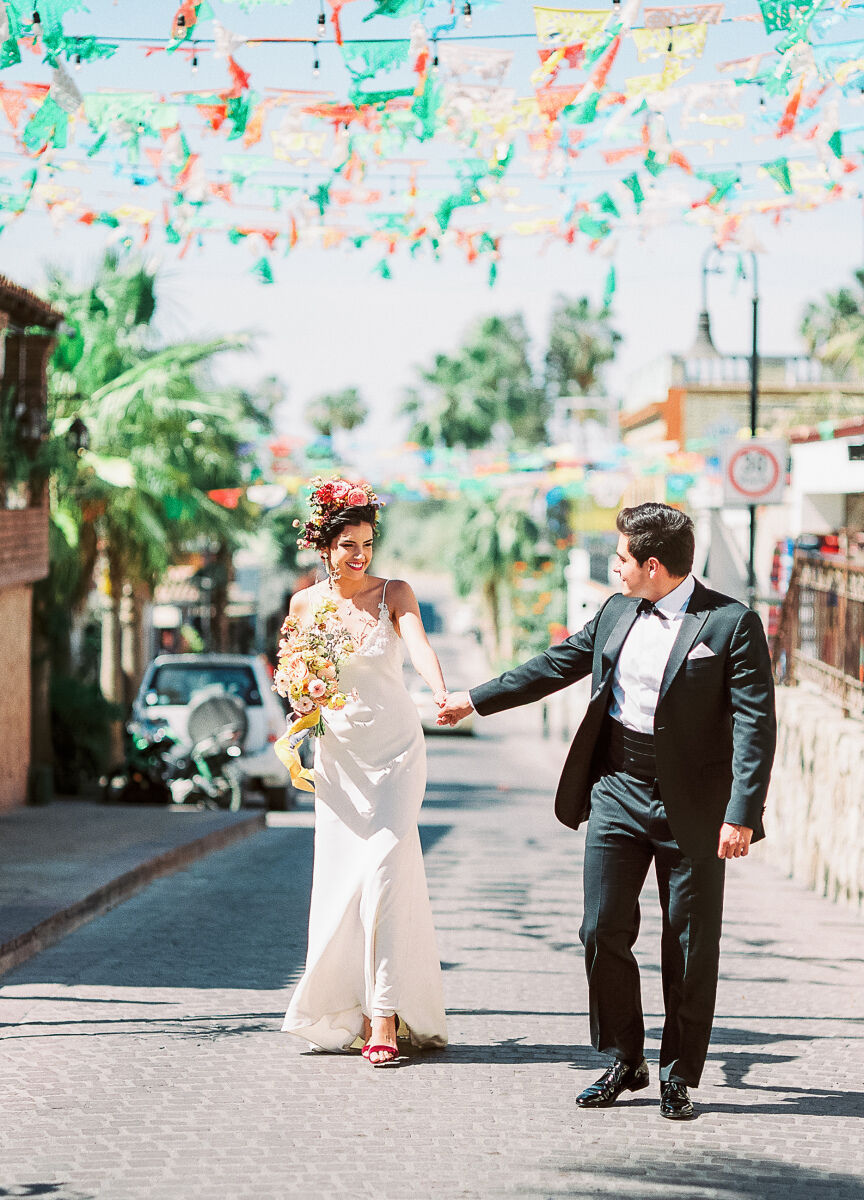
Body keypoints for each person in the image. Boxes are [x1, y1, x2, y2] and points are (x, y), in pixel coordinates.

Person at [438, 502, 776, 1118]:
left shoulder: (731, 623)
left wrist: (742, 812)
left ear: (653, 564)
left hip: (695, 806)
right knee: (600, 930)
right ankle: (627, 1058)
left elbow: (756, 724)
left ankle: (679, 1073)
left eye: (620, 558)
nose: (613, 568)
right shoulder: (617, 609)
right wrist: (474, 700)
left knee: (690, 943)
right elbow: (554, 665)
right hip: (616, 787)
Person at [281, 480, 449, 1066]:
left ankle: (384, 1014)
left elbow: (420, 646)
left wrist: (440, 690)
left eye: (368, 543)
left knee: (383, 870)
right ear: (323, 545)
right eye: (348, 543)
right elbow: (299, 678)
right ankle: (350, 1007)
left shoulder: (395, 592)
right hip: (340, 760)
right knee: (348, 883)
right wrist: (300, 705)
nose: (360, 554)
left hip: (398, 749)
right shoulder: (305, 605)